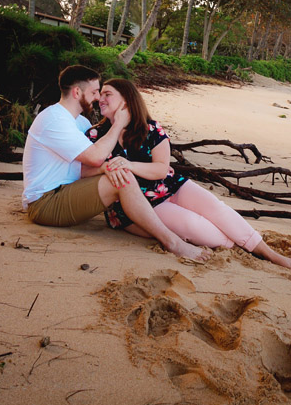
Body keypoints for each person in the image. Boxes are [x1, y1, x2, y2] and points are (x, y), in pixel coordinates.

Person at [87, 78, 291, 270]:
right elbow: (85, 170)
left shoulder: (150, 129)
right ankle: (237, 248)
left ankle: (268, 253)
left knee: (217, 209)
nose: (101, 99)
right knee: (195, 225)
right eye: (100, 94)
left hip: (169, 185)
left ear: (126, 100)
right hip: (142, 205)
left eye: (108, 94)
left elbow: (161, 168)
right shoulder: (95, 135)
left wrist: (129, 165)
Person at [22, 65, 208, 262]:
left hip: (67, 191)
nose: (97, 98)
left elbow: (90, 165)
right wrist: (118, 123)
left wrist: (150, 166)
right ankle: (173, 242)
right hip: (45, 204)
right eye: (94, 92)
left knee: (119, 174)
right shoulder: (55, 120)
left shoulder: (80, 123)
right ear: (77, 92)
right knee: (122, 178)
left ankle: (161, 233)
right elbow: (95, 157)